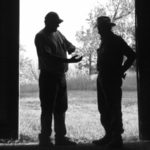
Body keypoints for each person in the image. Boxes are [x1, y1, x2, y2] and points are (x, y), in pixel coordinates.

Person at [34, 11, 82, 147]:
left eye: (58, 23)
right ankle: (45, 139)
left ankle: (60, 137)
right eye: (56, 23)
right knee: (48, 108)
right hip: (48, 77)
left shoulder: (58, 34)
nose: (58, 26)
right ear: (47, 22)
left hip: (60, 77)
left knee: (61, 108)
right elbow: (47, 56)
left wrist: (72, 48)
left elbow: (67, 44)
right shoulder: (41, 37)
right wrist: (68, 60)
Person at [92, 16, 136, 149]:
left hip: (111, 79)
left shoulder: (116, 40)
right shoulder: (104, 41)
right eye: (98, 28)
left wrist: (121, 70)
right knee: (104, 108)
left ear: (106, 27)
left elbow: (132, 55)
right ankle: (109, 135)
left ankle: (117, 138)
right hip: (103, 78)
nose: (98, 30)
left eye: (100, 28)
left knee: (113, 108)